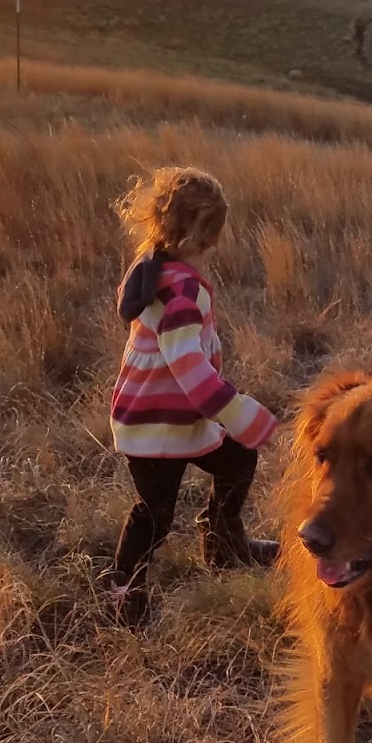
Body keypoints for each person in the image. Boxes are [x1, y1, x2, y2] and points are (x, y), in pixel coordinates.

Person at [102, 167, 279, 623]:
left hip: (174, 418)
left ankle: (223, 543)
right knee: (155, 514)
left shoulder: (153, 268)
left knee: (237, 461)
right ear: (206, 235)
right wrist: (243, 415)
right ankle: (124, 593)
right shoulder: (181, 290)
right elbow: (191, 371)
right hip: (154, 425)